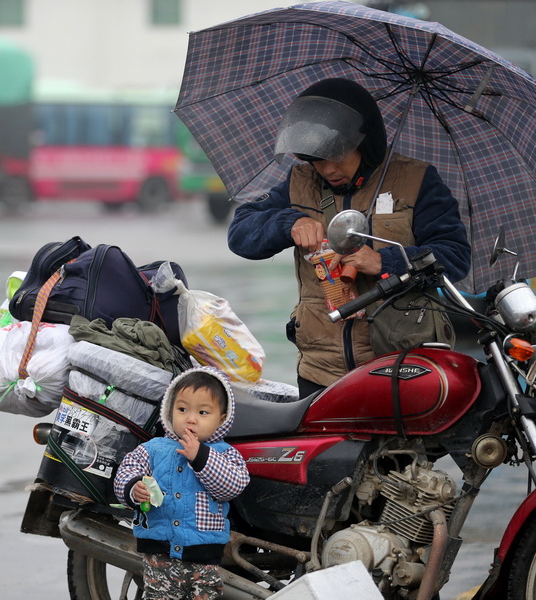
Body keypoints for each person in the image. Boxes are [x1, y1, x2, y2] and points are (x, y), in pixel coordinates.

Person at [228, 78, 471, 399]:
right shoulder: (299, 182)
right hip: (319, 370)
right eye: (317, 158)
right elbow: (240, 234)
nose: (327, 169)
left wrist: (386, 261)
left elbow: (453, 256)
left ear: (365, 145)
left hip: (399, 365)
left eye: (337, 157)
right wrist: (288, 223)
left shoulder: (418, 180)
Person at [114, 366, 249, 600]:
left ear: (221, 420)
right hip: (159, 551)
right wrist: (134, 488)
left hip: (204, 556)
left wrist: (200, 456)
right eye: (182, 409)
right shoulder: (154, 448)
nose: (191, 419)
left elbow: (233, 486)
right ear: (169, 410)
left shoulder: (225, 454)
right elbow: (127, 470)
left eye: (203, 412)